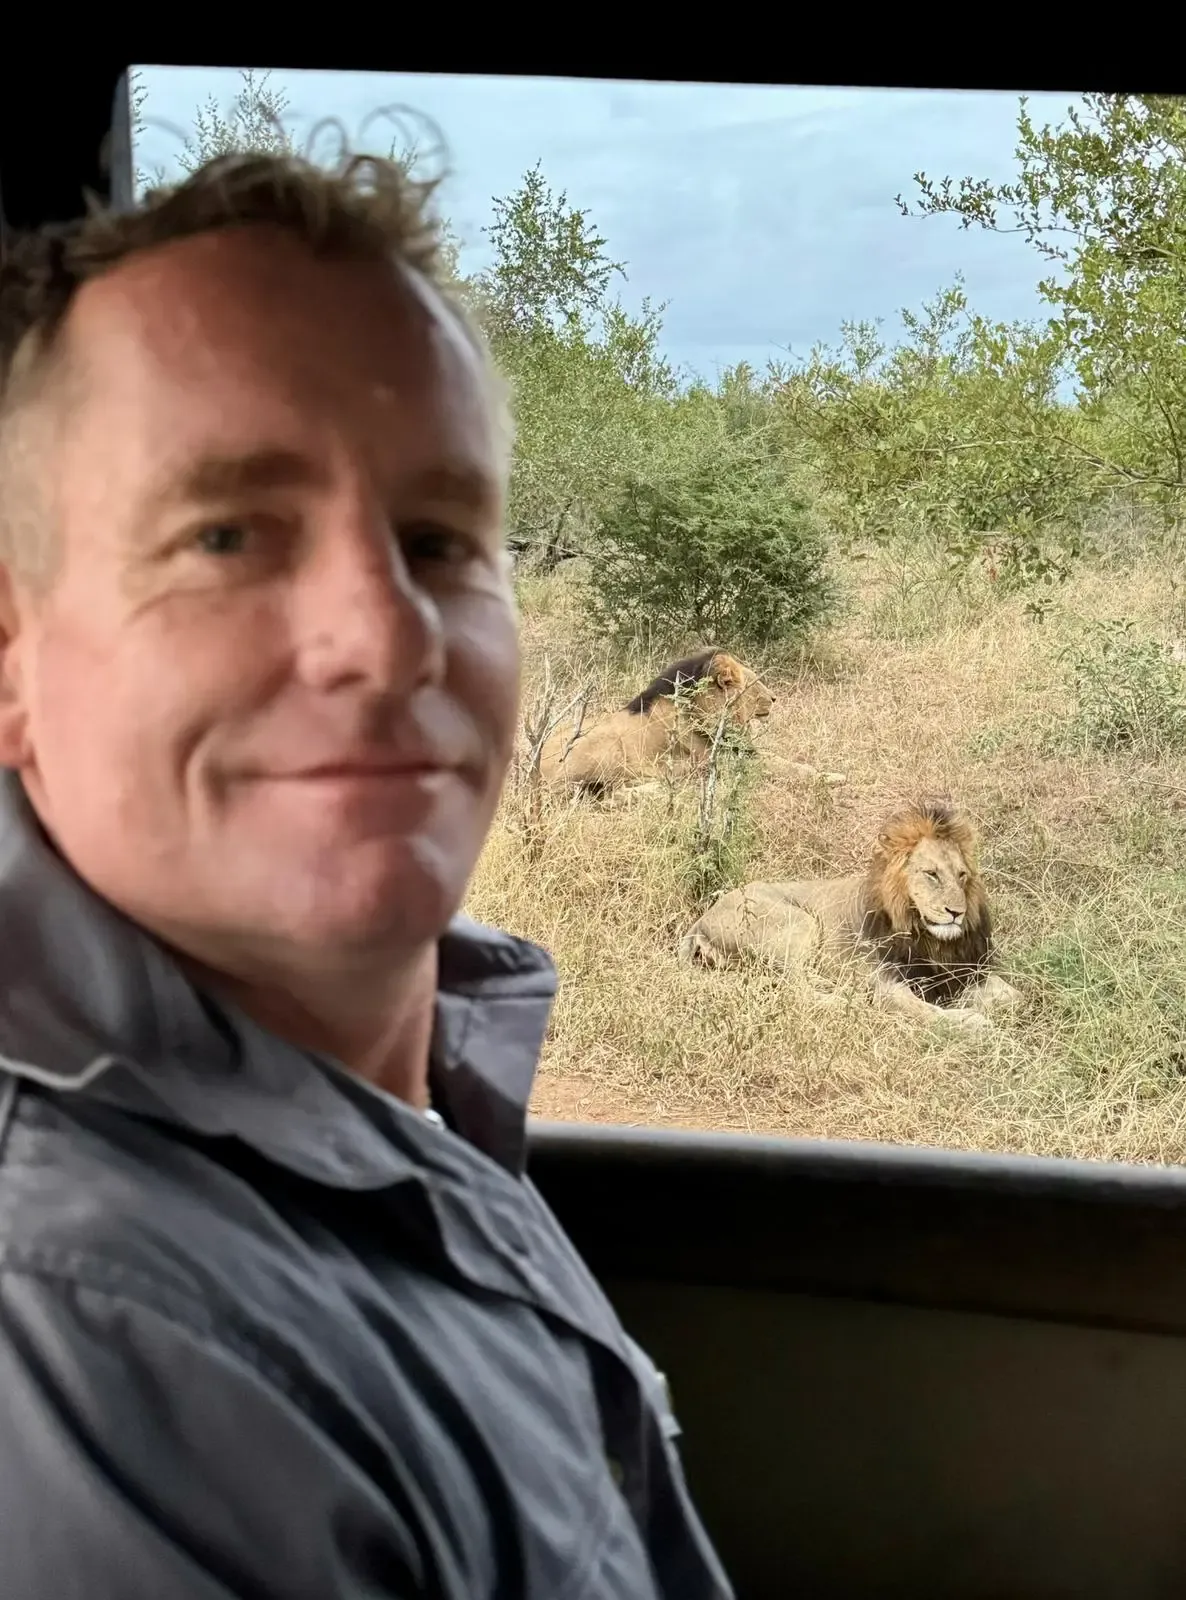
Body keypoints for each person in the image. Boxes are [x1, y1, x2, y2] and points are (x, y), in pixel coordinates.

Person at [0, 149, 734, 1598]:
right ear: (14, 664)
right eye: (225, 535)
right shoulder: (97, 1333)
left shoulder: (379, 1117)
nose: (390, 641)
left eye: (438, 540)